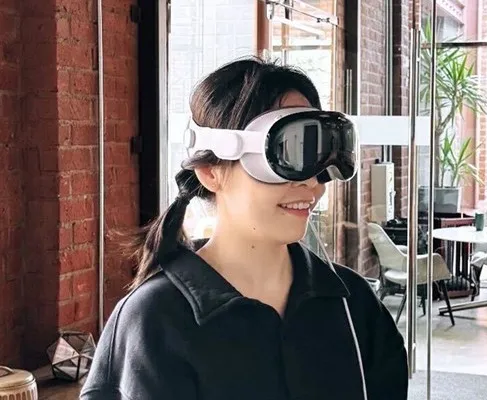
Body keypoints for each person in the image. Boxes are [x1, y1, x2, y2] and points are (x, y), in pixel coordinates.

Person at [80, 57, 408, 400]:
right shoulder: (155, 319)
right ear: (210, 171)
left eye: (318, 157)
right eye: (288, 154)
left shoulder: (353, 304)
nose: (312, 182)